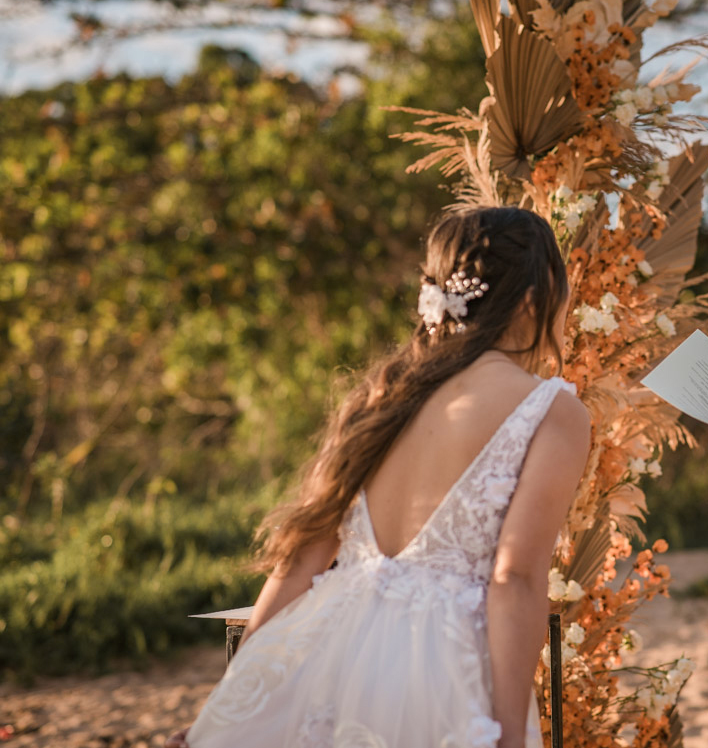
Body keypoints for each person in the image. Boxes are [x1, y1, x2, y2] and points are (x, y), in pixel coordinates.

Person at [168, 206, 591, 748]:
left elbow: (299, 562)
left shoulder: (384, 393)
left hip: (330, 652)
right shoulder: (548, 408)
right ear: (534, 300)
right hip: (439, 671)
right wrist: (509, 735)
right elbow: (515, 580)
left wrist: (227, 708)